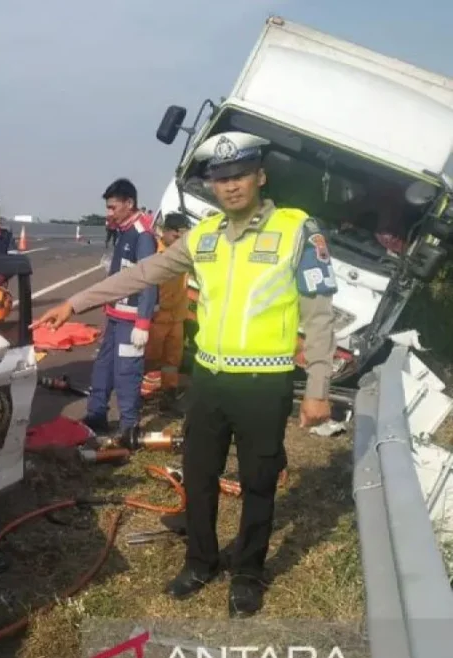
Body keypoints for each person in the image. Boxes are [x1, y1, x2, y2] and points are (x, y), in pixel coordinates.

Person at [32, 131, 337, 617]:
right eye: (221, 178)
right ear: (212, 185)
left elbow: (319, 316)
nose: (231, 186)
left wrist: (318, 388)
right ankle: (200, 562)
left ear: (260, 177)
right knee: (198, 475)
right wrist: (76, 302)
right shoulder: (205, 235)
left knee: (259, 481)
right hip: (210, 381)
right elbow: (143, 273)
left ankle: (247, 574)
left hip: (265, 384)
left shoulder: (297, 230)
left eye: (240, 175)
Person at [80, 178, 158, 437]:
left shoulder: (142, 235)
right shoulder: (124, 230)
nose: (109, 213)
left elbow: (149, 279)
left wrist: (143, 323)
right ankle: (96, 416)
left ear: (129, 203)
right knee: (103, 368)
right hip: (115, 316)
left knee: (127, 373)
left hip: (131, 320)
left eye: (113, 207)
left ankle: (128, 427)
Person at [142, 212, 191, 408]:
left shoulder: (185, 254)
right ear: (165, 232)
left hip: (177, 317)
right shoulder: (153, 253)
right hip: (157, 318)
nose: (178, 240)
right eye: (175, 236)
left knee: (173, 360)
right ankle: (142, 396)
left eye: (182, 236)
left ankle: (169, 395)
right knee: (150, 359)